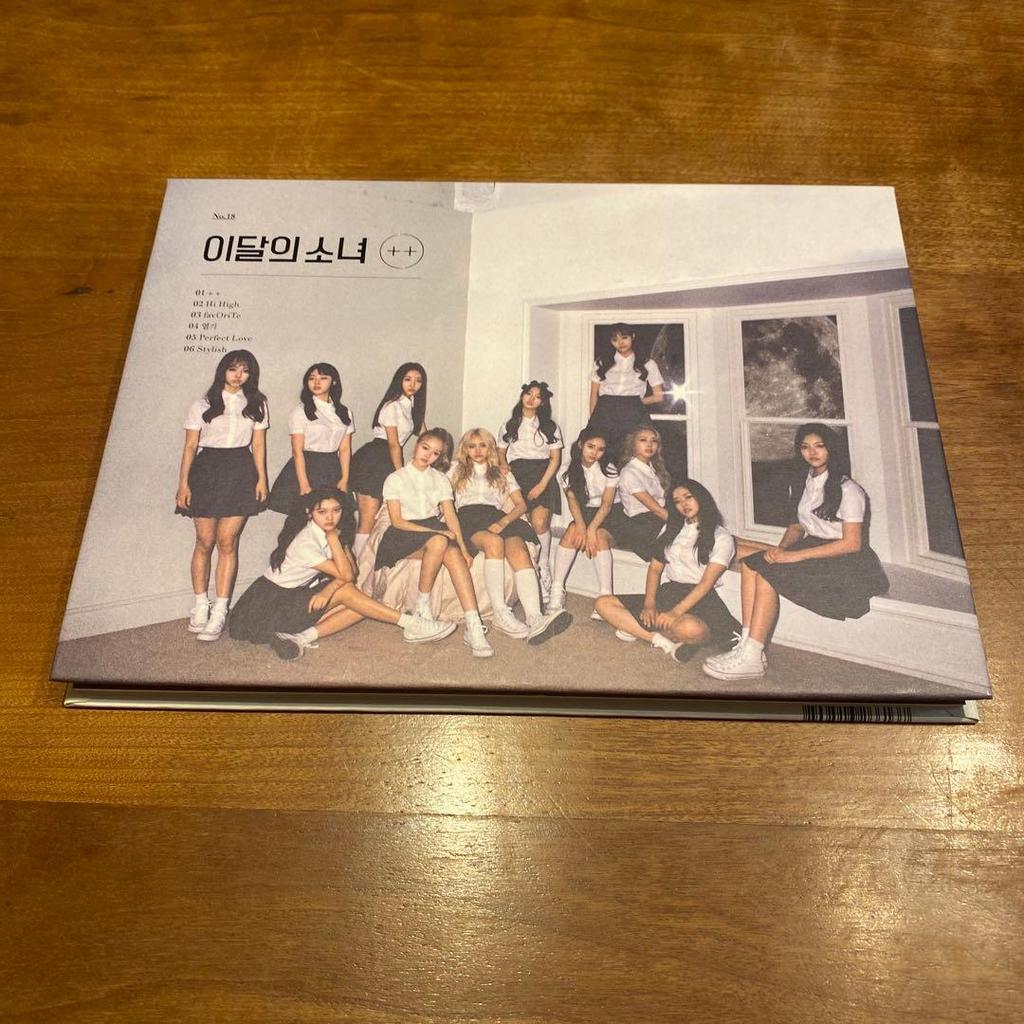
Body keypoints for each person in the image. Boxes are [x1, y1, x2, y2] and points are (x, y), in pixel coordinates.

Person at [703, 423, 889, 680]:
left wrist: (791, 557)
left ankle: (753, 655)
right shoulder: (804, 481)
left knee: (767, 574)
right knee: (750, 563)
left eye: (819, 446)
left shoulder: (849, 489)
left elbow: (852, 543)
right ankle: (747, 645)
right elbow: (797, 526)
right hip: (813, 547)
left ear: (831, 449)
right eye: (805, 447)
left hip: (845, 561)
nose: (812, 453)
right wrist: (781, 550)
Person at [228, 488, 455, 659]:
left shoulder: (330, 531)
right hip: (264, 607)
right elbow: (346, 577)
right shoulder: (307, 542)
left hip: (288, 597)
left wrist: (328, 589)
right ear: (309, 513)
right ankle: (411, 624)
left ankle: (301, 637)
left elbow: (352, 572)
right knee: (350, 593)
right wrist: (333, 545)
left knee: (362, 604)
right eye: (322, 512)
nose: (330, 517)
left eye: (336, 510)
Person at [175, 349, 268, 642]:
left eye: (245, 370)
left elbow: (258, 445)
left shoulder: (257, 403)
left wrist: (262, 479)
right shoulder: (202, 404)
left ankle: (220, 611)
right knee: (205, 541)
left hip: (240, 471)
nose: (238, 376)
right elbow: (190, 446)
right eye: (233, 369)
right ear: (223, 371)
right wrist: (183, 484)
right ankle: (201, 605)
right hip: (206, 471)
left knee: (228, 541)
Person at [375, 430, 494, 658]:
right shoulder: (396, 478)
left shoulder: (440, 479)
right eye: (425, 448)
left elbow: (451, 517)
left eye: (436, 453)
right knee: (439, 540)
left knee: (453, 552)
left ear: (440, 457)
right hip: (402, 533)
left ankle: (473, 625)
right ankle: (423, 608)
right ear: (416, 445)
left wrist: (463, 548)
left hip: (431, 533)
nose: (428, 455)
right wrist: (435, 531)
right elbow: (397, 521)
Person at [595, 480, 741, 663]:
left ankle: (639, 629)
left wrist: (675, 612)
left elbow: (706, 583)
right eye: (677, 501)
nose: (684, 504)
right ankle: (659, 639)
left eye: (688, 497)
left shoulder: (721, 537)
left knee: (689, 628)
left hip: (701, 597)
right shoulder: (671, 528)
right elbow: (655, 569)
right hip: (670, 591)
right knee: (603, 603)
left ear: (701, 498)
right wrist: (649, 604)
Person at [449, 428, 571, 644]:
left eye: (483, 445)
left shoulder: (501, 472)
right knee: (494, 541)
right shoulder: (455, 470)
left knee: (519, 548)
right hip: (468, 518)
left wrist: (503, 522)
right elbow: (440, 496)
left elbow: (521, 505)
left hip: (497, 516)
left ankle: (535, 617)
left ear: (490, 448)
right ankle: (500, 613)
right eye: (472, 446)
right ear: (465, 449)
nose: (477, 451)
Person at [267, 362, 356, 539]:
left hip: (333, 467)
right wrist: (304, 484)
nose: (316, 382)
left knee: (335, 524)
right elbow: (297, 451)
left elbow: (345, 449)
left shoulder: (344, 412)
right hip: (308, 468)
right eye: (312, 378)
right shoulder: (300, 411)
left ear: (333, 382)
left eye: (323, 378)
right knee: (301, 523)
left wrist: (345, 478)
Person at [349, 362, 427, 562]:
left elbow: (426, 437)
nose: (413, 385)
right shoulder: (392, 406)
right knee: (367, 521)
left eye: (418, 381)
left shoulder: (412, 406)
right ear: (399, 380)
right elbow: (393, 444)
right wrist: (402, 474)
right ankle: (356, 573)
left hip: (387, 460)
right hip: (374, 460)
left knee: (377, 522)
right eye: (408, 379)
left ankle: (364, 567)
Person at [496, 381, 564, 599]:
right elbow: (500, 452)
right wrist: (504, 466)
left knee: (540, 522)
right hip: (517, 475)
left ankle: (543, 566)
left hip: (542, 475)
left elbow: (555, 459)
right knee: (522, 525)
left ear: (542, 402)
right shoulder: (509, 425)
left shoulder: (550, 427)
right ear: (522, 396)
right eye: (528, 394)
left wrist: (542, 485)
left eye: (537, 396)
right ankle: (530, 570)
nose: (531, 399)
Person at [548, 428, 624, 617]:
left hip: (612, 514)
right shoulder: (566, 470)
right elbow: (572, 501)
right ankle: (557, 590)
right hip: (586, 513)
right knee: (573, 531)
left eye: (600, 449)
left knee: (597, 536)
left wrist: (590, 530)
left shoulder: (609, 469)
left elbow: (607, 505)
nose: (595, 453)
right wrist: (582, 526)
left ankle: (606, 598)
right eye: (591, 446)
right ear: (581, 445)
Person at [585, 323, 665, 461]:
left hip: (633, 413)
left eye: (624, 337)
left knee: (633, 455)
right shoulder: (601, 362)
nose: (620, 343)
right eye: (615, 340)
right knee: (602, 455)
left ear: (633, 337)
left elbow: (659, 396)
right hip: (605, 412)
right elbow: (593, 394)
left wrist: (635, 402)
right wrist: (593, 419)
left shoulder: (648, 363)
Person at [614, 425, 670, 559]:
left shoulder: (653, 469)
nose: (649, 445)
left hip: (657, 520)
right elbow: (657, 509)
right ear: (632, 444)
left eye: (654, 441)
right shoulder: (629, 472)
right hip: (642, 527)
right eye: (643, 440)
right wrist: (683, 524)